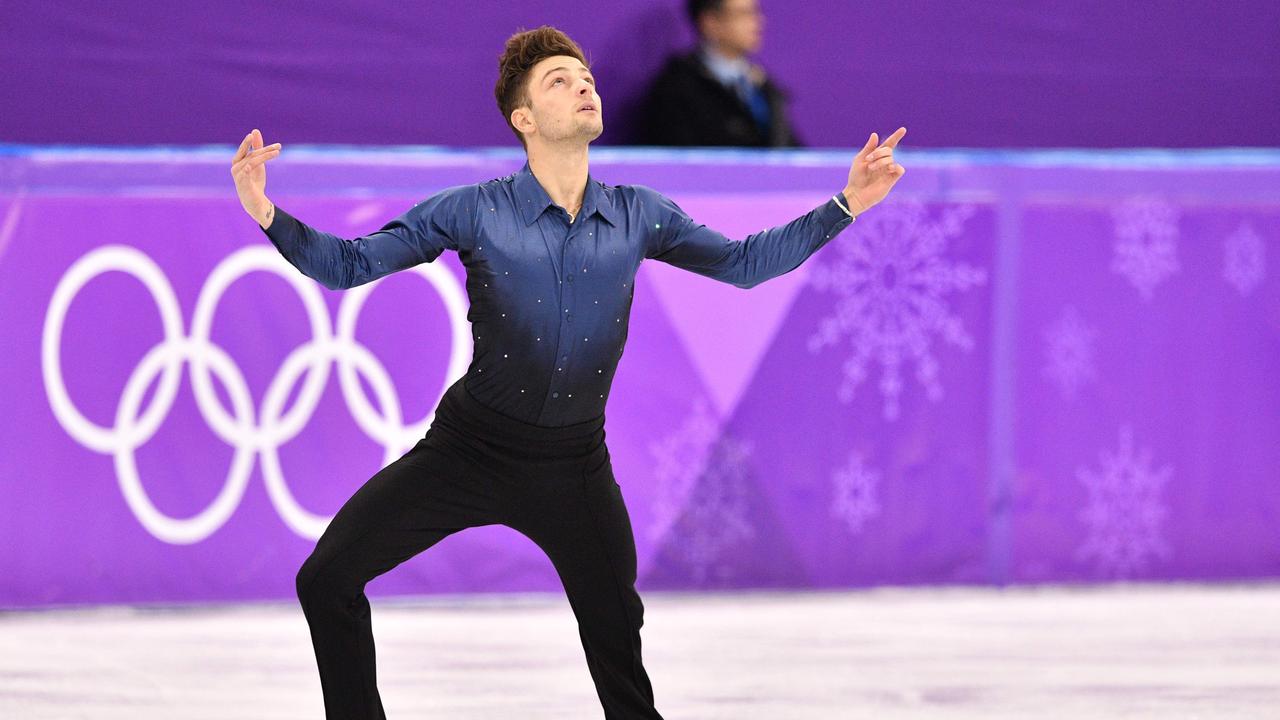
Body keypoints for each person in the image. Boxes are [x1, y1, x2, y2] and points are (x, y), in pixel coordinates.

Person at [229, 24, 905, 720]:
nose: (583, 84)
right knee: (327, 579)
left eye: (585, 76)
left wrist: (845, 204)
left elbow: (743, 264)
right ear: (524, 119)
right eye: (559, 81)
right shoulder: (474, 210)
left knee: (618, 641)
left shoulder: (639, 214)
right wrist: (268, 214)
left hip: (573, 468)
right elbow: (347, 265)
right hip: (467, 452)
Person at [638, 0, 800, 147]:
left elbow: (791, 152)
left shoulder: (764, 87)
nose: (758, 22)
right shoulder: (676, 90)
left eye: (756, 12)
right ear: (710, 23)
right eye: (744, 14)